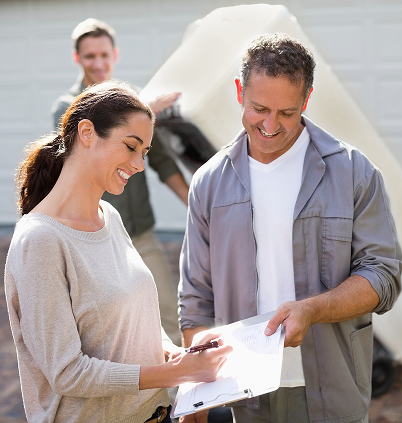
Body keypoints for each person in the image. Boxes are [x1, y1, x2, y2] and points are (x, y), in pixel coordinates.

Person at [178, 33, 402, 423]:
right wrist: (197, 384)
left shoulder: (353, 172)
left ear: (306, 99)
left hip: (331, 388)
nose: (270, 125)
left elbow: (383, 276)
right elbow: (196, 297)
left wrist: (313, 310)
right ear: (239, 92)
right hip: (243, 390)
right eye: (259, 108)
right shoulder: (209, 182)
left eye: (287, 112)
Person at [4, 81, 232, 423]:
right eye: (131, 146)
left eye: (145, 152)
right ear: (86, 132)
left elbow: (134, 324)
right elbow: (68, 373)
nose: (139, 164)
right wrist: (177, 374)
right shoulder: (39, 242)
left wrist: (176, 355)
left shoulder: (109, 217)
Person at [51, 18, 187, 345]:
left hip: (140, 234)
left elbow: (163, 160)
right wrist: (144, 113)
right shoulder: (66, 108)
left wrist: (196, 202)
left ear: (115, 54)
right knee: (114, 328)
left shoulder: (135, 99)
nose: (98, 64)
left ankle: (182, 393)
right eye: (89, 57)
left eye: (103, 55)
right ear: (77, 59)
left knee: (169, 312)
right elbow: (77, 155)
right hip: (93, 241)